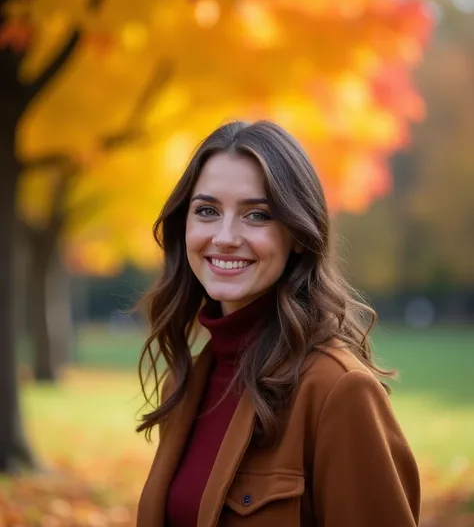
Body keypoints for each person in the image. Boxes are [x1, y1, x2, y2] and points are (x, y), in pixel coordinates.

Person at [136, 120, 420, 527]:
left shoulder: (336, 390)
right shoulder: (185, 383)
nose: (226, 236)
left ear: (299, 235)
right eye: (207, 211)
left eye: (257, 214)